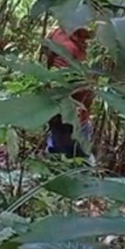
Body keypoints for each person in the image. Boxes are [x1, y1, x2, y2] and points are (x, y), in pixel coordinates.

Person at [42, 23, 96, 157]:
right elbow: (60, 80)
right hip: (69, 114)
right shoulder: (67, 47)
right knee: (70, 155)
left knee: (60, 147)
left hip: (72, 111)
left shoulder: (66, 37)